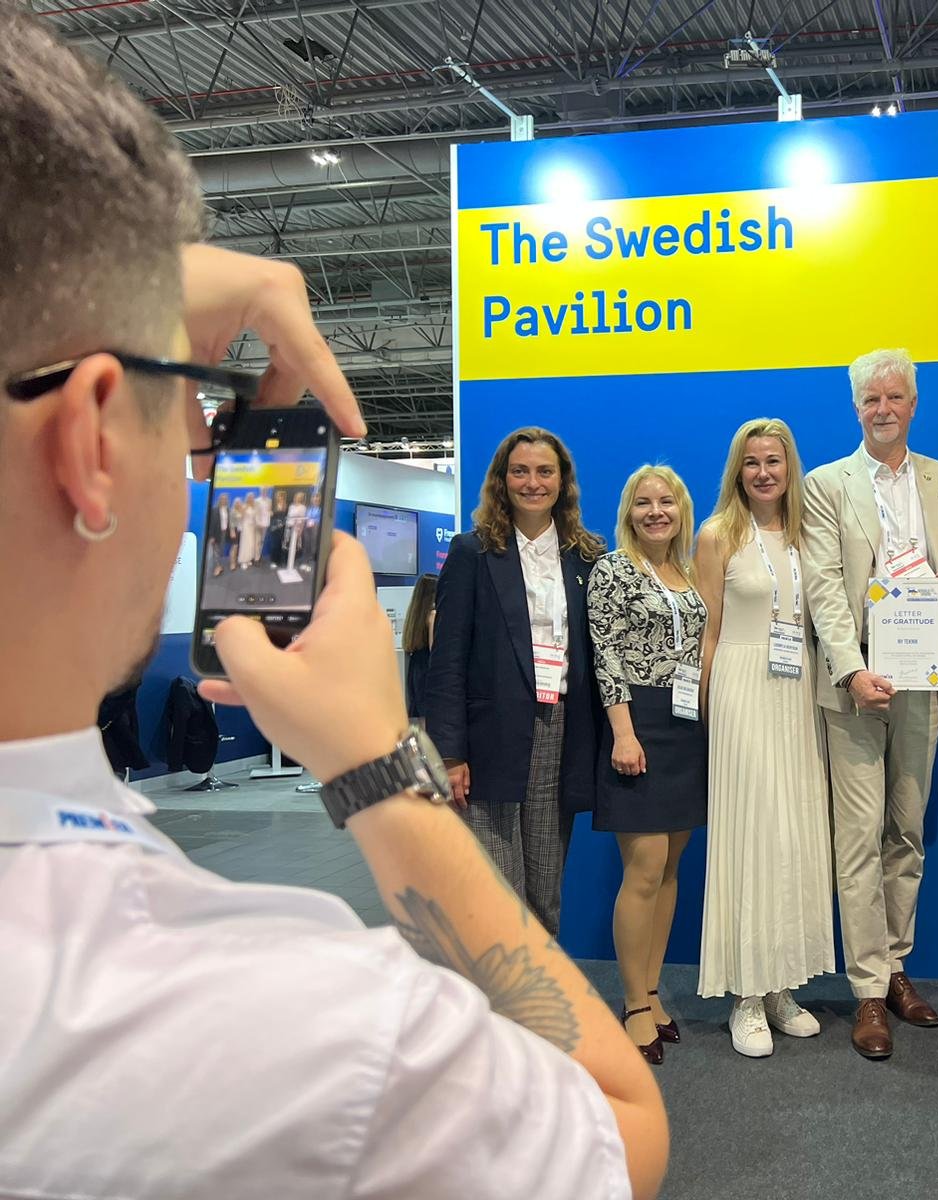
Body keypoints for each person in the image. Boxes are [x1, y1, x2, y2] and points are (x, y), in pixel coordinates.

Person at [0, 16, 667, 1197]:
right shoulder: (297, 1031)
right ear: (94, 436)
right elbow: (619, 1134)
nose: (206, 454)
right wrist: (376, 766)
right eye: (192, 406)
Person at [802, 348, 938, 1060]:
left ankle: (897, 964)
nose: (883, 409)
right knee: (857, 837)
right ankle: (869, 990)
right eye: (870, 399)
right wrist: (850, 671)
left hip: (923, 675)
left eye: (895, 397)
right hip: (856, 686)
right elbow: (822, 586)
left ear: (914, 404)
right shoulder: (826, 485)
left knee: (905, 829)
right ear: (856, 409)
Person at [427, 429, 606, 936]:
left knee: (546, 886)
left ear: (562, 481)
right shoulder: (473, 553)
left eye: (544, 471)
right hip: (489, 740)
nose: (533, 482)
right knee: (497, 888)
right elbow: (448, 661)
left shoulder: (585, 556)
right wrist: (450, 753)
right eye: (520, 471)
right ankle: (496, 1005)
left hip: (561, 731)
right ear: (502, 481)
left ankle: (541, 1001)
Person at [694, 419, 834, 1058]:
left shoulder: (809, 534)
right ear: (737, 470)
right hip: (742, 689)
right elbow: (709, 631)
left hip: (796, 692)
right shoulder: (717, 536)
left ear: (789, 465)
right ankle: (744, 999)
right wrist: (701, 708)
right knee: (748, 835)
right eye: (751, 462)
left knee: (790, 835)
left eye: (773, 460)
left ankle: (778, 986)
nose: (763, 472)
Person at [588, 465, 709, 1065]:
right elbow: (605, 656)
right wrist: (623, 733)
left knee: (670, 868)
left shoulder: (687, 574)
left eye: (666, 502)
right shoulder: (612, 569)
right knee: (644, 867)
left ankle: (655, 991)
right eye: (643, 503)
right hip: (636, 724)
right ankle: (633, 1003)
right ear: (628, 512)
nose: (655, 511)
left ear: (681, 510)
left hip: (686, 726)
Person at [402, 572, 438, 721]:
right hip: (429, 677)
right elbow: (435, 651)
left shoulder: (413, 618)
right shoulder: (434, 616)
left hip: (416, 673)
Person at [237, 488, 261, 568]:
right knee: (245, 544)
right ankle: (243, 561)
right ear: (247, 498)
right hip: (246, 527)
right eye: (250, 497)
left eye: (252, 497)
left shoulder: (254, 507)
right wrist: (246, 507)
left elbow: (255, 517)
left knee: (251, 544)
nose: (251, 499)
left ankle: (248, 559)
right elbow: (241, 516)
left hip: (252, 527)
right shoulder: (244, 505)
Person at [286, 489, 309, 571]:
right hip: (289, 527)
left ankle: (292, 564)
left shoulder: (303, 507)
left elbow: (302, 520)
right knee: (287, 544)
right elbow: (288, 516)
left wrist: (300, 530)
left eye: (299, 497)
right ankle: (288, 563)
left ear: (301, 498)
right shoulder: (291, 506)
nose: (297, 498)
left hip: (297, 529)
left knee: (295, 546)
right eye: (296, 497)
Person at [208, 493, 230, 577]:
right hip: (216, 533)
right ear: (220, 500)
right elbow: (212, 524)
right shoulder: (215, 509)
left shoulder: (228, 509)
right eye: (222, 499)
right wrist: (212, 536)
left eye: (225, 499)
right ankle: (217, 567)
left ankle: (219, 565)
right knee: (215, 551)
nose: (224, 500)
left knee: (220, 550)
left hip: (224, 533)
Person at [266, 490, 288, 568]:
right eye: (278, 496)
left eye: (281, 496)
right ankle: (273, 561)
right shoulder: (273, 505)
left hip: (282, 527)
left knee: (280, 544)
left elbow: (284, 516)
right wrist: (270, 513)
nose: (279, 497)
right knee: (274, 545)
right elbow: (270, 514)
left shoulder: (285, 505)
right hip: (274, 527)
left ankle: (279, 561)